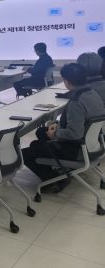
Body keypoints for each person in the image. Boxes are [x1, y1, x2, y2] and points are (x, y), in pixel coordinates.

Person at [22, 63, 105, 193]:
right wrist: (57, 124)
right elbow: (82, 121)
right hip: (95, 145)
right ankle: (58, 166)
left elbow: (75, 134)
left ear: (67, 82)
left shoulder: (76, 102)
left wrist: (55, 134)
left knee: (25, 153)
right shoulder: (93, 94)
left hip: (77, 149)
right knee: (38, 139)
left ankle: (54, 180)